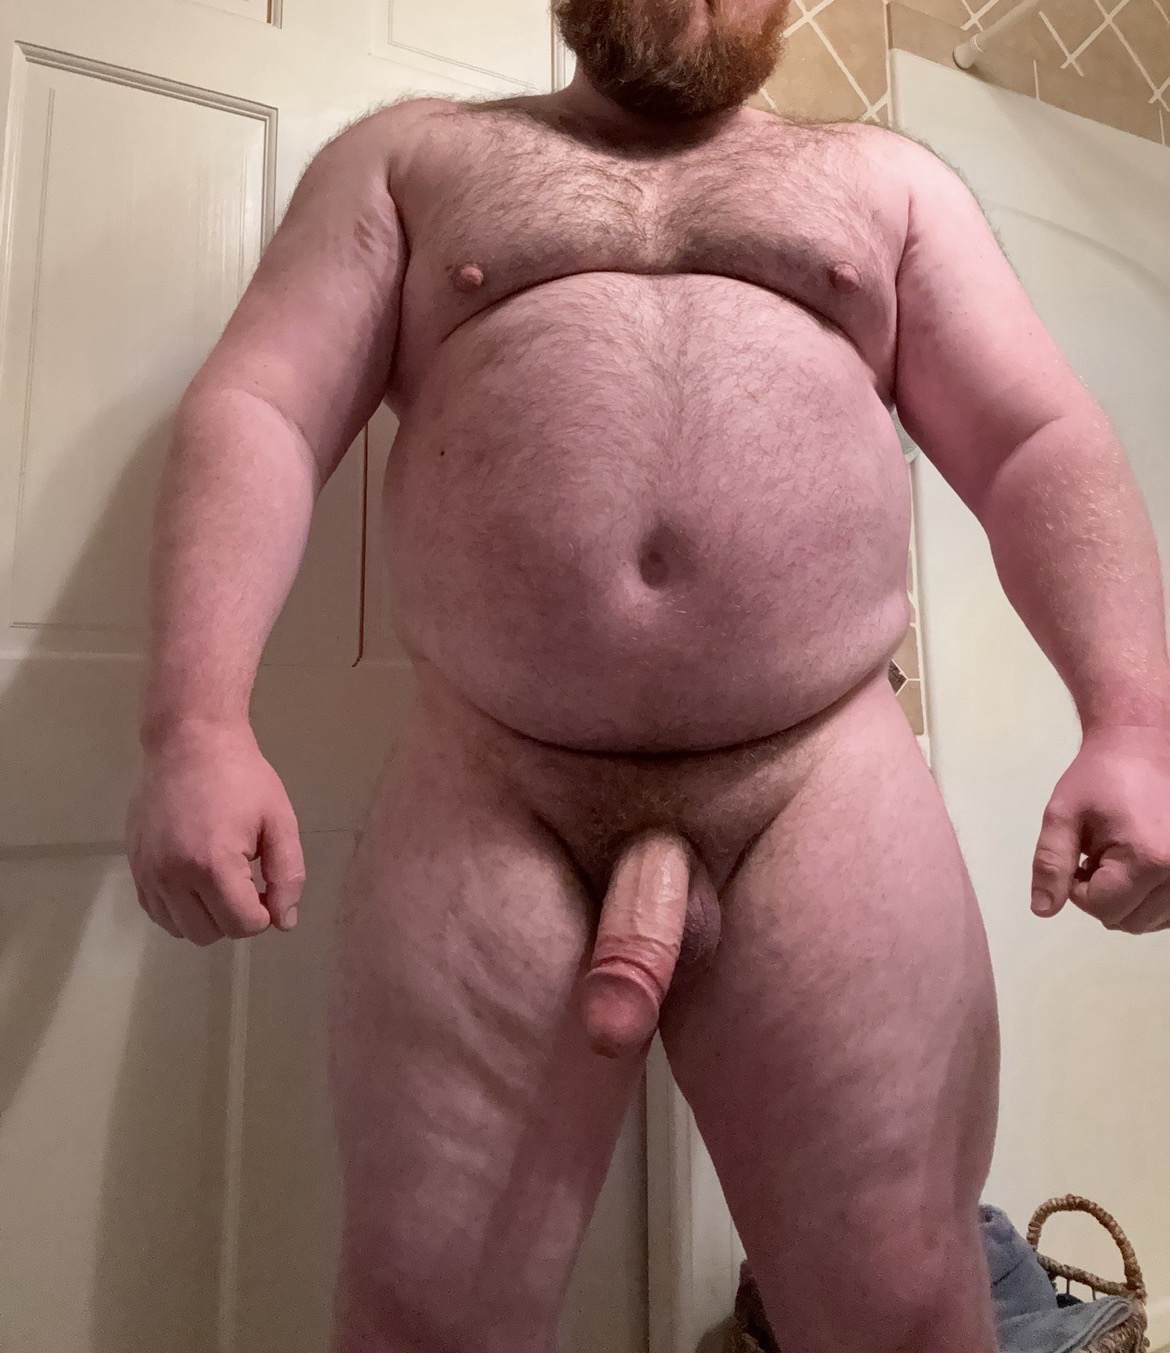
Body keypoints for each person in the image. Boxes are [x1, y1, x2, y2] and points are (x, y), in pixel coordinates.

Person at [125, 0, 1170, 1348]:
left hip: (819, 782)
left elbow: (1035, 441)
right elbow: (261, 407)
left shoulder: (887, 183)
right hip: (492, 783)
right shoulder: (409, 161)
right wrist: (195, 725)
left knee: (909, 1308)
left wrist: (1132, 723)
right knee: (419, 1317)